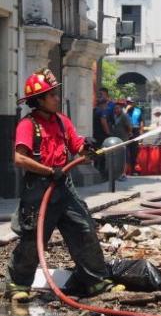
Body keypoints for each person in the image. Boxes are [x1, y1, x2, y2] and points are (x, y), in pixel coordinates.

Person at [4, 69, 124, 301]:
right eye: (52, 95)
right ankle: (17, 286)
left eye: (56, 94)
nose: (57, 98)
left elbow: (76, 144)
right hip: (39, 191)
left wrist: (87, 151)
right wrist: (49, 171)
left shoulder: (62, 122)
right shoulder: (28, 125)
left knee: (84, 229)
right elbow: (19, 158)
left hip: (64, 188)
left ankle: (96, 282)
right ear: (39, 101)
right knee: (32, 239)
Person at [110, 101, 133, 180]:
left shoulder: (124, 116)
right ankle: (117, 173)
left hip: (123, 140)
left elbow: (129, 127)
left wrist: (129, 133)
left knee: (124, 157)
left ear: (121, 109)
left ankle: (123, 173)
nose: (116, 110)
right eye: (115, 108)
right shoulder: (114, 116)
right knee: (117, 157)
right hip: (116, 140)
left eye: (117, 108)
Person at [125, 99, 142, 176]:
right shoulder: (123, 110)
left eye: (131, 103)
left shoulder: (138, 111)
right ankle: (125, 171)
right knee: (126, 152)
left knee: (134, 152)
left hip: (135, 131)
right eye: (128, 103)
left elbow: (141, 121)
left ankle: (133, 170)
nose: (129, 104)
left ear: (133, 103)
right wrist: (126, 110)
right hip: (126, 132)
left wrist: (141, 133)